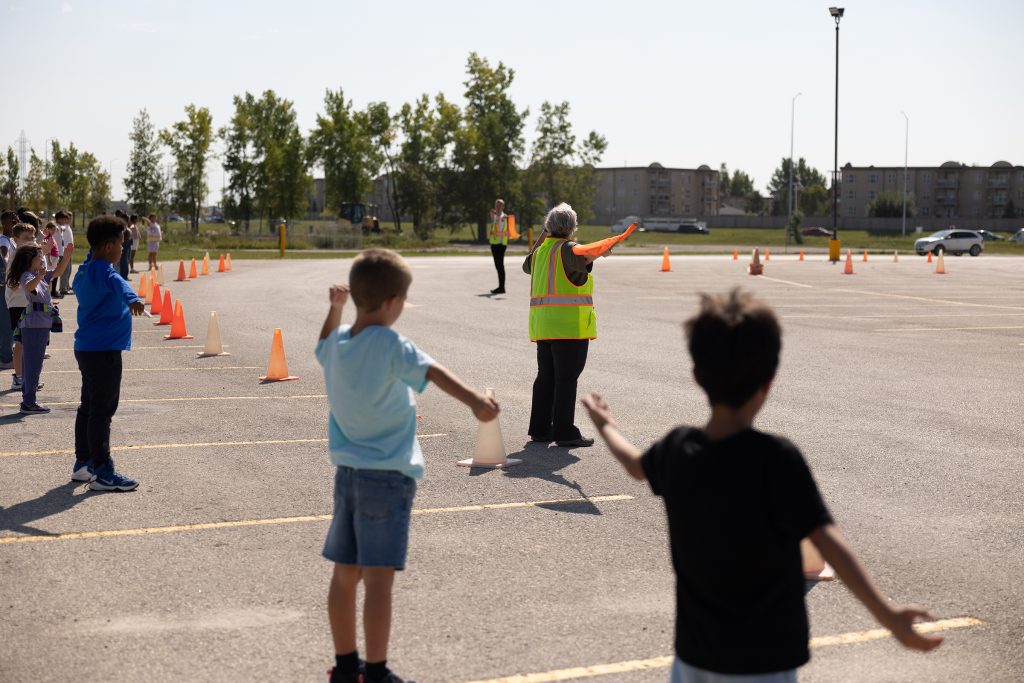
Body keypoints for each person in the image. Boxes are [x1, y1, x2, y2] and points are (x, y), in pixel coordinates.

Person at [581, 289, 943, 683]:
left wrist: (606, 425)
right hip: (766, 661)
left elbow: (635, 465)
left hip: (695, 659)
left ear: (698, 377)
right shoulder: (777, 458)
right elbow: (830, 545)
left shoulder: (677, 449)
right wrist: (887, 616)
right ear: (768, 381)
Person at [316, 248, 499, 683]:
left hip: (348, 476)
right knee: (380, 581)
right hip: (388, 477)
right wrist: (476, 400)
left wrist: (334, 310)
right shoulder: (391, 344)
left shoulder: (339, 345)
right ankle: (376, 674)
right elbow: (432, 371)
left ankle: (346, 668)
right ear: (394, 302)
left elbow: (322, 344)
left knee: (346, 575)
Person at [522, 202, 605, 448]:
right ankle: (565, 432)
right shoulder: (571, 249)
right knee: (566, 380)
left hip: (543, 326)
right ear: (572, 228)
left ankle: (539, 429)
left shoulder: (540, 252)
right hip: (568, 326)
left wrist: (544, 234)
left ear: (548, 227)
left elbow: (526, 265)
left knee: (545, 377)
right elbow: (586, 258)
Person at [72, 214, 145, 490]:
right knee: (102, 411)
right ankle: (103, 472)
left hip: (87, 349)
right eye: (120, 244)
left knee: (89, 407)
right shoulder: (105, 271)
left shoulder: (86, 269)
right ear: (107, 247)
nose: (123, 248)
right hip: (104, 352)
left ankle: (83, 464)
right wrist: (133, 299)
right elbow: (120, 284)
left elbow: (109, 274)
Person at [6, 238, 74, 413]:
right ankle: (29, 402)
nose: (41, 260)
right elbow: (29, 287)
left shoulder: (39, 275)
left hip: (41, 323)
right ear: (30, 260)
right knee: (33, 364)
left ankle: (28, 399)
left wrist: (66, 257)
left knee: (33, 363)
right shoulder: (28, 275)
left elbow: (57, 272)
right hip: (34, 324)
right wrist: (40, 276)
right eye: (39, 257)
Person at [6, 224, 40, 389]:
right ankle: (18, 377)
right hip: (18, 304)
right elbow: (13, 284)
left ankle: (27, 376)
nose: (31, 241)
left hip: (29, 303)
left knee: (29, 342)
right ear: (15, 239)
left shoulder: (31, 256)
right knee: (20, 342)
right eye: (27, 238)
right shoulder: (15, 257)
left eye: (33, 238)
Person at [0, 210, 17, 370]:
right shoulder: (4, 241)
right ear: (4, 223)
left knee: (8, 322)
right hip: (5, 286)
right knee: (6, 322)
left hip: (9, 285)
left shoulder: (11, 240)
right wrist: (7, 269)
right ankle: (5, 359)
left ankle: (5, 353)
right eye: (12, 221)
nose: (15, 223)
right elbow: (4, 255)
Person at [487, 198, 509, 294]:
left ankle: (502, 287)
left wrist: (498, 234)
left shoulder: (506, 217)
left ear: (503, 207)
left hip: (501, 244)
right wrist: (493, 214)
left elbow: (508, 232)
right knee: (497, 265)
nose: (498, 207)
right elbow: (492, 218)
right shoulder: (494, 217)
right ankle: (501, 287)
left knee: (500, 266)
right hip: (494, 244)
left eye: (500, 205)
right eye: (497, 205)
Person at [53, 210, 74, 297]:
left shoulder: (63, 227)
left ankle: (63, 288)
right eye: (65, 218)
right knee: (60, 272)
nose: (67, 220)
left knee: (67, 270)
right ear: (59, 219)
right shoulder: (58, 228)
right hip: (60, 252)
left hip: (64, 251)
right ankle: (62, 289)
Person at [115, 210, 132, 279]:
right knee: (122, 261)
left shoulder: (126, 227)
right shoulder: (120, 227)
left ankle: (124, 275)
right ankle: (123, 275)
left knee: (126, 260)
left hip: (128, 245)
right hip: (123, 246)